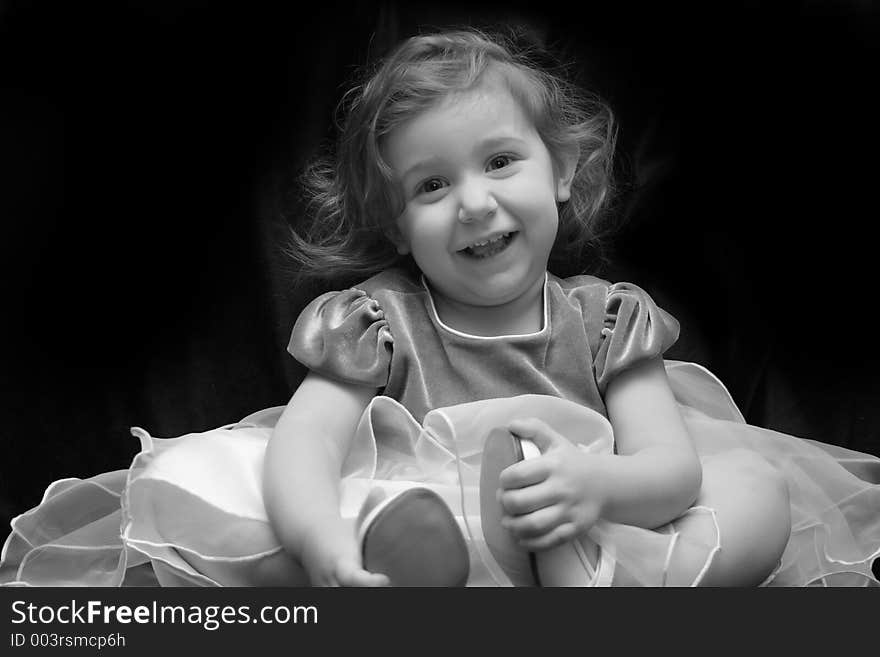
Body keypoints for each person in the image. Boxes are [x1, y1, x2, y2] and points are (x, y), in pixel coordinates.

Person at [2, 28, 878, 588]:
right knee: (226, 473)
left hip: (592, 518)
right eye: (432, 184)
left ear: (562, 173)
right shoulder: (378, 322)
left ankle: (601, 583)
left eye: (500, 162)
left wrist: (591, 486)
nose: (472, 203)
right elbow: (306, 446)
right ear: (396, 220)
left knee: (755, 488)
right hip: (437, 525)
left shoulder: (606, 320)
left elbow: (670, 469)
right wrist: (321, 546)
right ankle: (402, 563)